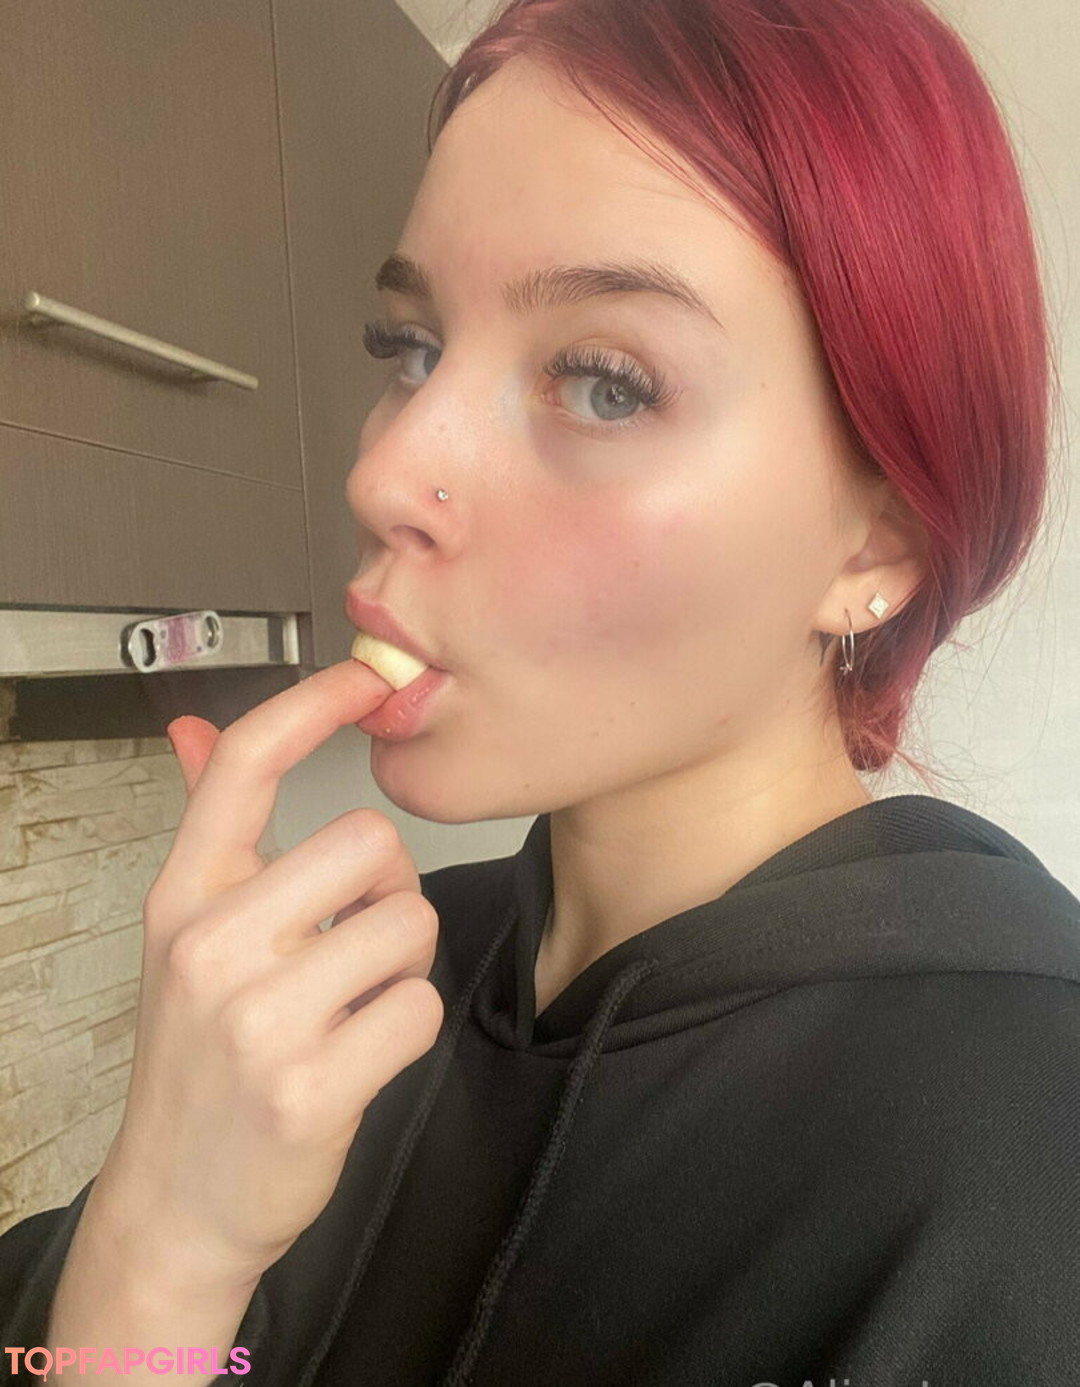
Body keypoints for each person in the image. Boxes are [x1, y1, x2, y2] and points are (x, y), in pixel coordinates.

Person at [3, 0, 1078, 1382]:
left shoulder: (1032, 1141)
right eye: (410, 348)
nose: (384, 473)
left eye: (606, 385)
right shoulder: (348, 1003)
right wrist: (166, 1240)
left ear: (878, 544)